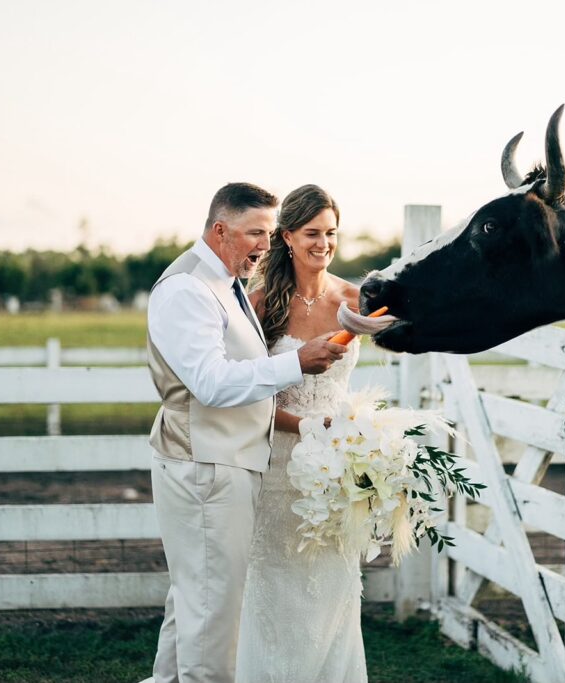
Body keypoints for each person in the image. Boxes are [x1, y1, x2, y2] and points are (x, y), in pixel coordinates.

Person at [145, 182, 347, 683]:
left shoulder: (224, 283)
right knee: (214, 617)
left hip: (226, 462)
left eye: (269, 232)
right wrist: (296, 365)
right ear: (220, 230)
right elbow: (210, 383)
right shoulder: (188, 289)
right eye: (254, 232)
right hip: (205, 466)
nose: (265, 243)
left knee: (193, 604)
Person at [236, 184, 368, 682]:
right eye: (312, 233)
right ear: (286, 236)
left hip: (338, 465)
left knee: (333, 583)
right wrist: (307, 426)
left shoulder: (355, 300)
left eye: (331, 233)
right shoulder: (259, 304)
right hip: (277, 467)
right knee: (275, 585)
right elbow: (248, 396)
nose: (323, 243)